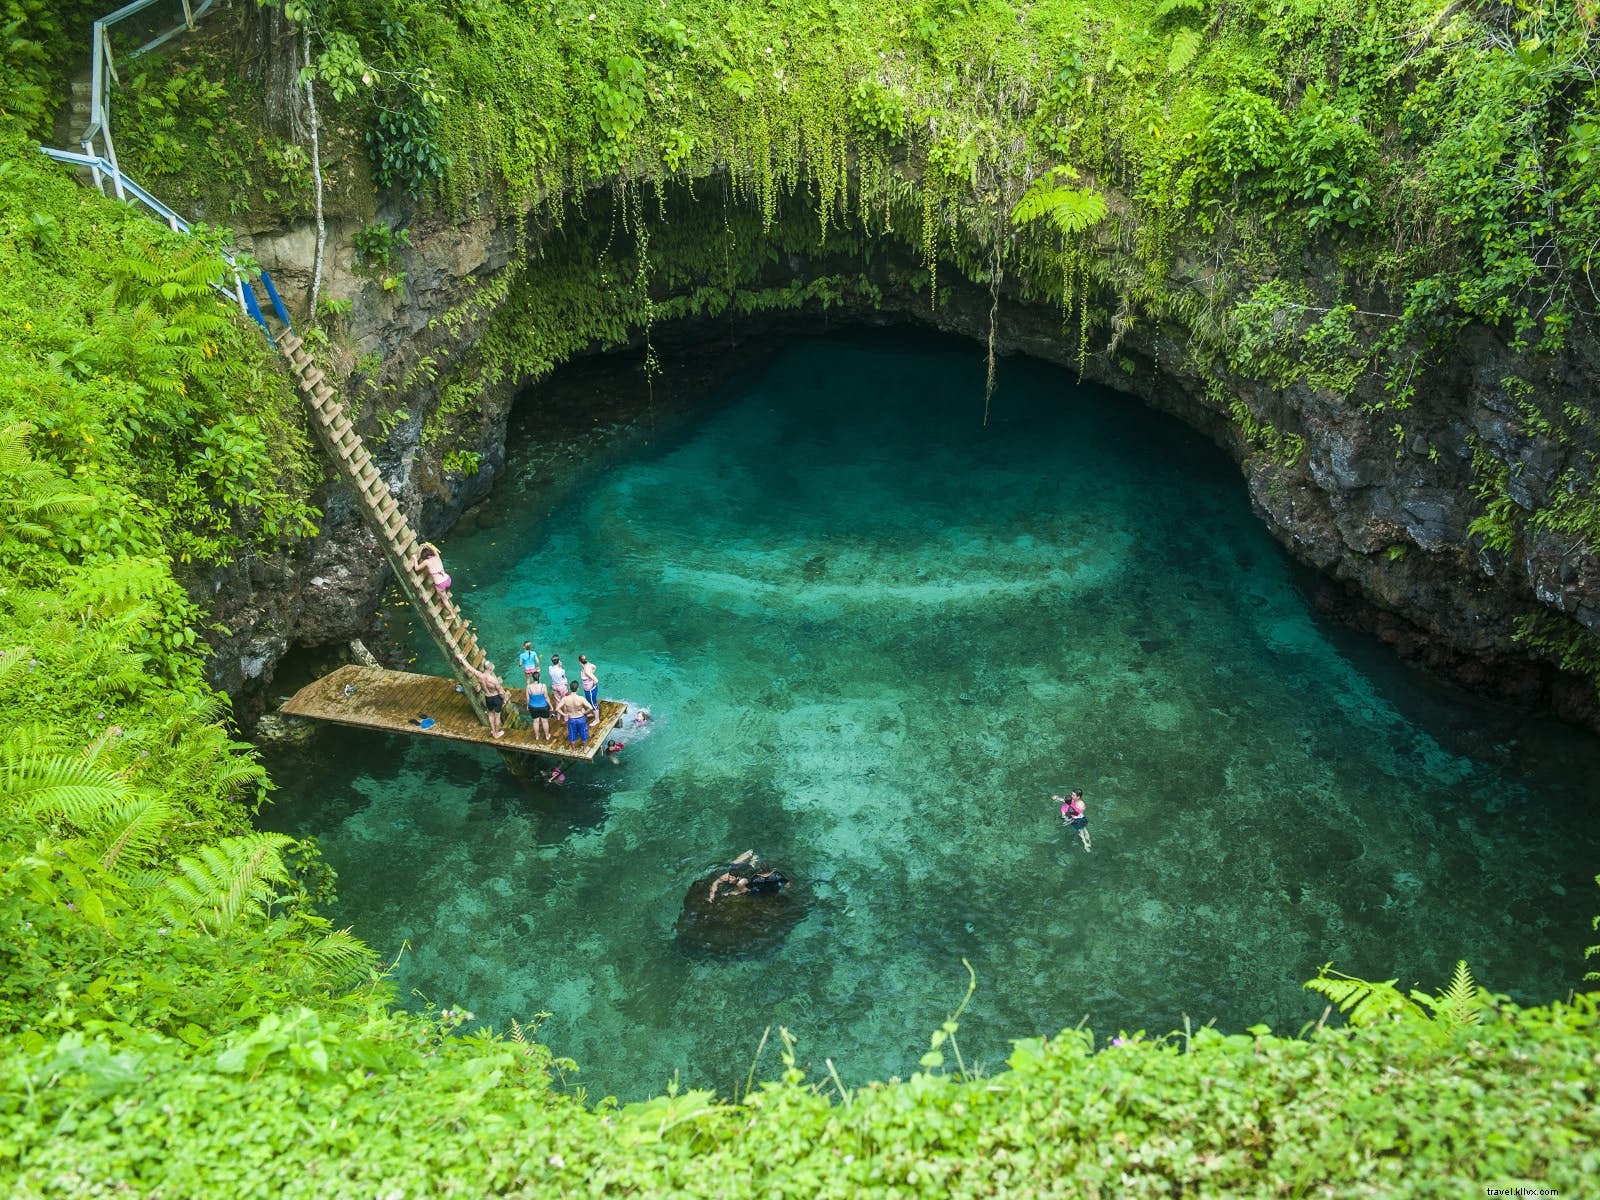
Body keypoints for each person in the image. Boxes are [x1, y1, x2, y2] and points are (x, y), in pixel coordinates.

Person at [708, 850, 788, 901]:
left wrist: (729, 893)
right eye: (729, 878)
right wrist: (712, 895)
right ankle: (750, 853)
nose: (730, 880)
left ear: (737, 878)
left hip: (747, 871)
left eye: (732, 879)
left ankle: (754, 858)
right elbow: (715, 883)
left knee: (751, 866)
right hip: (739, 868)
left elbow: (744, 891)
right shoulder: (726, 876)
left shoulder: (741, 882)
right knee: (733, 863)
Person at [409, 543, 460, 622]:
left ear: (424, 556)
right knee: (443, 593)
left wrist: (415, 559)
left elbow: (416, 568)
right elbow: (433, 549)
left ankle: (452, 614)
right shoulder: (437, 556)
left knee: (444, 599)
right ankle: (445, 594)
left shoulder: (426, 562)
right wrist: (426, 545)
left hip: (440, 584)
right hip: (447, 579)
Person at [461, 659, 508, 739]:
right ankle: (496, 733)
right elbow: (500, 692)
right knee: (497, 716)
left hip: (488, 698)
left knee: (490, 715)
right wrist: (504, 700)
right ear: (490, 669)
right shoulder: (494, 680)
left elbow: (469, 667)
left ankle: (493, 731)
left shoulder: (479, 675)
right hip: (496, 698)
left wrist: (462, 659)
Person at [524, 669, 552, 740]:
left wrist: (527, 706)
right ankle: (547, 736)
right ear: (539, 678)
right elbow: (546, 697)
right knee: (544, 721)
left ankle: (537, 736)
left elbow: (527, 698)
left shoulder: (528, 687)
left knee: (535, 721)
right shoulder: (543, 686)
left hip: (533, 707)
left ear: (533, 678)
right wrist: (551, 706)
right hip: (543, 706)